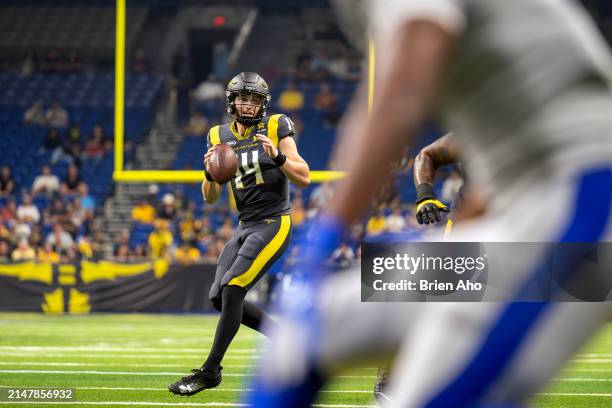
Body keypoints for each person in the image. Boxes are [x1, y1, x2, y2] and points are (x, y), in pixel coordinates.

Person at [248, 0, 612, 407]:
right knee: (303, 336)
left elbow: (401, 95)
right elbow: (497, 149)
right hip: (525, 211)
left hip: (583, 197)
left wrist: (324, 238)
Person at [168, 72, 310, 396]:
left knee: (233, 288)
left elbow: (304, 176)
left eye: (254, 99)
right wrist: (209, 172)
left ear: (263, 103)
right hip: (245, 225)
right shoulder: (218, 134)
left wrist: (278, 157)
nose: (247, 104)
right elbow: (210, 196)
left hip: (274, 221)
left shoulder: (276, 126)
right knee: (219, 297)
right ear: (231, 102)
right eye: (242, 98)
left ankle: (210, 371)